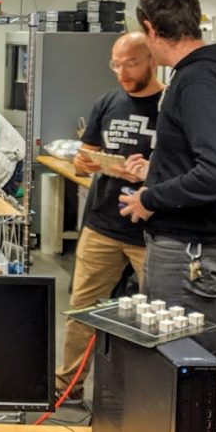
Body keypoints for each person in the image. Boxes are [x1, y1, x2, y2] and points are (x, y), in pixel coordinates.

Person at [54, 32, 162, 403]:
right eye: (115, 64)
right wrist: (85, 161)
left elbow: (189, 166)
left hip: (153, 231)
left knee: (156, 315)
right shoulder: (108, 101)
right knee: (82, 308)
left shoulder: (171, 106)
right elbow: (87, 154)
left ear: (152, 58)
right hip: (102, 223)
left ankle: (153, 395)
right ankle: (67, 386)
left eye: (130, 63)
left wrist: (151, 172)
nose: (122, 72)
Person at [121, 0, 216, 357]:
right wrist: (159, 169)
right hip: (198, 242)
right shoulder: (213, 70)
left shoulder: (197, 80)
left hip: (188, 250)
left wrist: (151, 196)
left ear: (150, 29)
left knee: (185, 359)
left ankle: (203, 419)